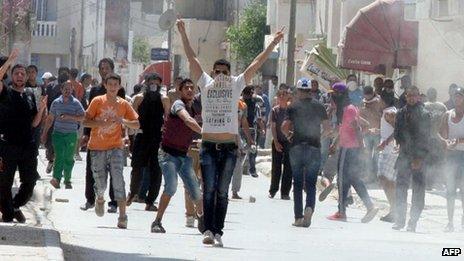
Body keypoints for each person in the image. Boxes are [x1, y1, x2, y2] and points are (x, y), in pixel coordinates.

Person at [177, 17, 283, 247]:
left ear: (230, 72)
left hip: (228, 148)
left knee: (223, 191)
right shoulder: (205, 83)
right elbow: (191, 57)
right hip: (208, 146)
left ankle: (218, 231)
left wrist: (272, 44)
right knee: (209, 190)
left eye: (225, 71)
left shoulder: (236, 84)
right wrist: (183, 33)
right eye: (218, 71)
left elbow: (256, 63)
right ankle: (206, 229)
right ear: (213, 72)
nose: (221, 75)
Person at [83, 73, 139, 229]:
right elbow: (85, 121)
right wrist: (99, 123)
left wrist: (123, 121)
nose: (113, 87)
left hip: (116, 147)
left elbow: (136, 123)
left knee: (118, 180)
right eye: (110, 84)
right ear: (105, 85)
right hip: (97, 147)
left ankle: (122, 216)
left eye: (116, 84)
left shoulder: (124, 104)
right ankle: (100, 197)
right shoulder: (97, 101)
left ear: (120, 86)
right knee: (100, 182)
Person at [151, 79, 204, 233]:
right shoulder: (178, 105)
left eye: (191, 88)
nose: (189, 90)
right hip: (168, 155)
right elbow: (187, 121)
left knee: (195, 190)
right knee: (171, 186)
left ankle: (202, 219)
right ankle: (157, 221)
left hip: (183, 155)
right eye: (186, 87)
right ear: (180, 91)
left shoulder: (194, 109)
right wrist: (203, 132)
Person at [0, 50, 47, 223]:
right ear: (11, 76)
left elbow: (34, 123)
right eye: (17, 73)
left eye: (23, 74)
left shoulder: (29, 95)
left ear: (27, 77)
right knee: (5, 182)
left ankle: (15, 205)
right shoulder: (5, 92)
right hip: (8, 145)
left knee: (30, 182)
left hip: (27, 145)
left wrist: (41, 110)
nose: (20, 76)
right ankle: (7, 212)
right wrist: (10, 60)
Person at [327, 82, 379, 223]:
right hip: (348, 147)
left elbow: (356, 128)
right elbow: (347, 128)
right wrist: (334, 143)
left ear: (340, 94)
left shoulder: (348, 109)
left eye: (334, 94)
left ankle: (341, 211)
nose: (332, 96)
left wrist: (361, 146)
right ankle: (370, 206)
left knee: (342, 179)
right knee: (354, 179)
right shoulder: (346, 109)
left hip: (349, 149)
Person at [282, 78, 330, 227]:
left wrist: (289, 136)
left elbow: (284, 126)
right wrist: (319, 138)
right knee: (310, 183)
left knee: (297, 183)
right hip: (314, 147)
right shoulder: (319, 106)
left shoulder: (293, 106)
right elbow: (328, 128)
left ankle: (298, 217)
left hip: (296, 146)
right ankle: (309, 207)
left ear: (298, 91)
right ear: (310, 90)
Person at [80, 58, 125, 213]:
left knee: (115, 171)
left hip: (113, 138)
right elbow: (89, 116)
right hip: (96, 138)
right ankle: (90, 199)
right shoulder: (94, 91)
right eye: (102, 68)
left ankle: (113, 202)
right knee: (92, 169)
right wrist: (86, 134)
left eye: (107, 68)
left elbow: (122, 113)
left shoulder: (120, 91)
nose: (104, 70)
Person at [393, 86, 431, 232]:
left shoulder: (424, 113)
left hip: (418, 157)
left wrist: (419, 158)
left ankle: (413, 222)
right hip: (404, 155)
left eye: (414, 96)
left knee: (418, 189)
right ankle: (400, 220)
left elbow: (424, 138)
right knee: (401, 187)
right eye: (409, 96)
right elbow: (397, 132)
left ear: (418, 97)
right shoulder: (401, 112)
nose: (411, 98)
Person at [126, 73, 164, 212]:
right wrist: (130, 136)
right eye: (151, 82)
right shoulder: (139, 98)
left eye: (157, 82)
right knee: (137, 168)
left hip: (157, 138)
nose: (154, 85)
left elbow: (167, 118)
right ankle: (132, 193)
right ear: (146, 83)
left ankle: (151, 200)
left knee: (156, 171)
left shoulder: (163, 99)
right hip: (141, 137)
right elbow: (132, 117)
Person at [41, 81, 85, 189]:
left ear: (72, 90)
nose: (67, 91)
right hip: (58, 134)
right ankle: (56, 179)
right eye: (65, 88)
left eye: (69, 89)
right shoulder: (56, 103)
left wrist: (69, 117)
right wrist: (44, 133)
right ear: (61, 90)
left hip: (71, 134)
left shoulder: (76, 103)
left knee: (69, 157)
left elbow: (83, 117)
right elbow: (50, 118)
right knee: (59, 156)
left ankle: (67, 179)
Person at [439, 87, 464, 232]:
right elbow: (440, 133)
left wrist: (458, 141)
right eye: (455, 96)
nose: (457, 98)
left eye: (460, 96)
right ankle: (449, 221)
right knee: (450, 190)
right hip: (451, 156)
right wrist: (445, 141)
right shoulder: (447, 114)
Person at [377, 92, 398, 223]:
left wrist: (385, 142)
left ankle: (395, 210)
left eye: (379, 99)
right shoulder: (389, 111)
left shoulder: (389, 113)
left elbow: (398, 130)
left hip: (390, 151)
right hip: (388, 150)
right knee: (385, 178)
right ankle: (394, 209)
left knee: (386, 179)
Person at [269, 89, 292, 200]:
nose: (282, 96)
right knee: (276, 167)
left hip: (289, 142)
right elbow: (273, 127)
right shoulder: (275, 111)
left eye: (284, 94)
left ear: (288, 96)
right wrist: (276, 141)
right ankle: (273, 190)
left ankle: (285, 192)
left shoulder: (291, 110)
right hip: (278, 141)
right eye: (280, 95)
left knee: (288, 167)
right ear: (277, 97)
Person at [231, 99, 255, 199]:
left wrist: (250, 139)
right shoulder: (225, 101)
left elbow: (244, 122)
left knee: (238, 165)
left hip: (236, 135)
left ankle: (235, 191)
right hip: (224, 136)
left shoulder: (242, 105)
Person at [424, 88, 447, 190]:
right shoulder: (440, 106)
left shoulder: (426, 106)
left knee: (434, 160)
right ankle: (434, 183)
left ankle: (433, 183)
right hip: (434, 138)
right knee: (435, 160)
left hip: (434, 138)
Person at [360, 86, 383, 183]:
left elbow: (382, 116)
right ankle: (369, 176)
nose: (367, 97)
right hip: (367, 132)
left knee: (377, 156)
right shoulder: (362, 102)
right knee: (367, 156)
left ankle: (376, 176)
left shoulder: (379, 102)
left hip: (377, 132)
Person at [242, 86, 265, 177]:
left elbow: (259, 118)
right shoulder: (255, 104)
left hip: (244, 129)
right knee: (252, 149)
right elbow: (259, 119)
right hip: (250, 129)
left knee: (245, 148)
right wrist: (262, 129)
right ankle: (251, 169)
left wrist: (262, 128)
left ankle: (246, 168)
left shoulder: (240, 103)